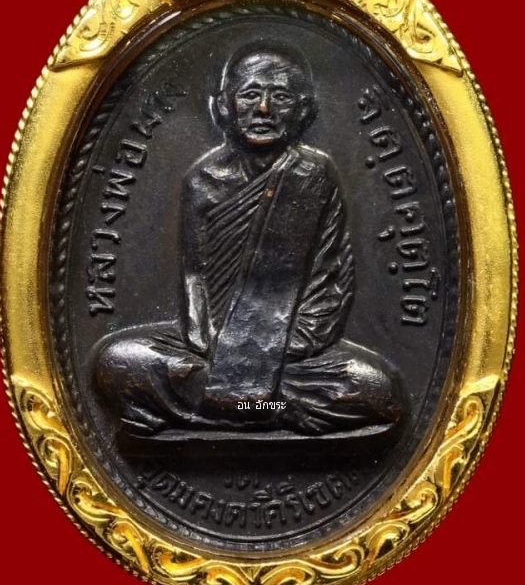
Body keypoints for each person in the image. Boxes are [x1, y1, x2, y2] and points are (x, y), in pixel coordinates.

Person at [94, 42, 404, 437]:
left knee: (378, 389)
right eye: (251, 94)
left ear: (303, 110)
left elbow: (332, 281)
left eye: (281, 97)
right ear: (224, 106)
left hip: (290, 351)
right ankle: (264, 407)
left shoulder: (313, 174)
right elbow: (195, 282)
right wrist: (216, 348)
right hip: (213, 349)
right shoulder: (203, 181)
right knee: (116, 361)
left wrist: (275, 352)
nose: (264, 109)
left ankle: (226, 405)